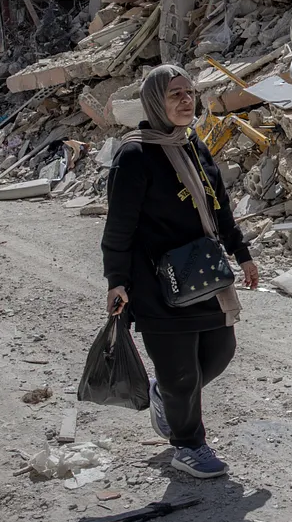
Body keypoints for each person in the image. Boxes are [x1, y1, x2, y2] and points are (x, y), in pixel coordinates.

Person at [101, 64, 259, 480]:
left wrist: (242, 254)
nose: (186, 101)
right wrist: (117, 281)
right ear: (155, 101)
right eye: (175, 95)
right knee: (181, 370)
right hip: (156, 283)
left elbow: (219, 207)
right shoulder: (134, 155)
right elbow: (118, 227)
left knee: (220, 351)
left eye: (190, 93)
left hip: (204, 276)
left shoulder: (193, 147)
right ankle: (188, 445)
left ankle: (167, 396)